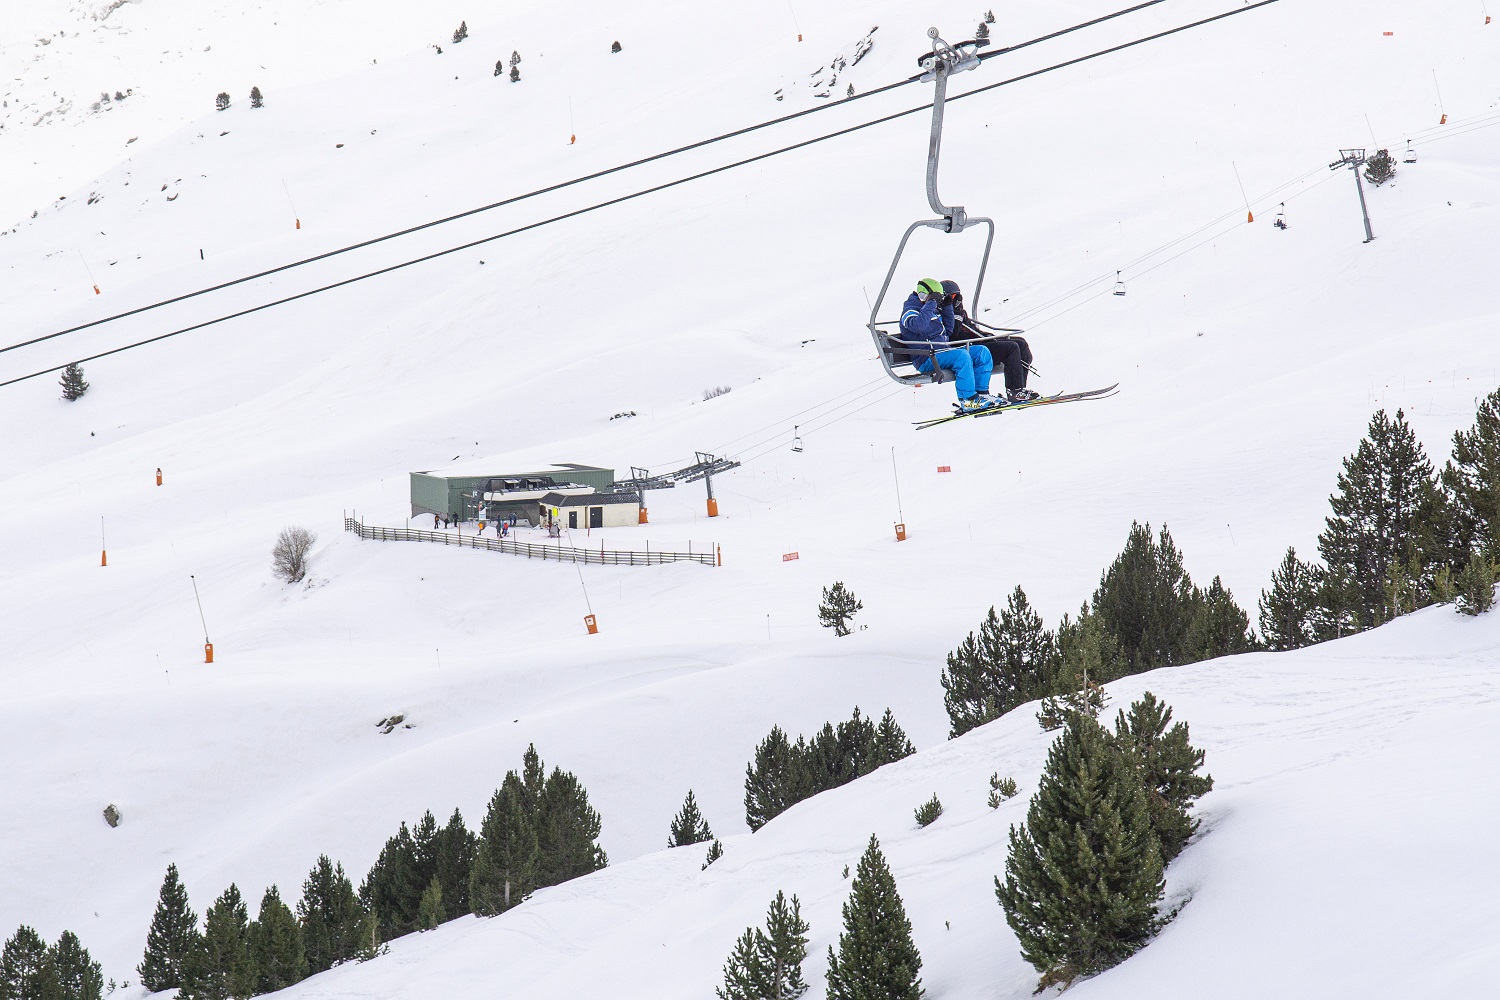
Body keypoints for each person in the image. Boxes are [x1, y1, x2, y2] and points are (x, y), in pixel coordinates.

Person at [898, 278, 998, 411]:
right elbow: (919, 326)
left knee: (981, 352)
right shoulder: (910, 311)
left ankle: (981, 395)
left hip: (942, 353)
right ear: (924, 295)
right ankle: (968, 400)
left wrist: (946, 307)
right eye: (935, 297)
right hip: (927, 358)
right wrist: (932, 303)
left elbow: (948, 329)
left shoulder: (930, 309)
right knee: (961, 356)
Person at [941, 279, 1040, 402]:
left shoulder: (960, 312)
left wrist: (986, 335)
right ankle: (1014, 390)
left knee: (1021, 343)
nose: (955, 300)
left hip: (979, 342)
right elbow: (952, 335)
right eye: (951, 297)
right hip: (971, 349)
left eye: (956, 296)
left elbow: (971, 330)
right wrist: (954, 315)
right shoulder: (944, 315)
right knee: (1011, 348)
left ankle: (1020, 389)